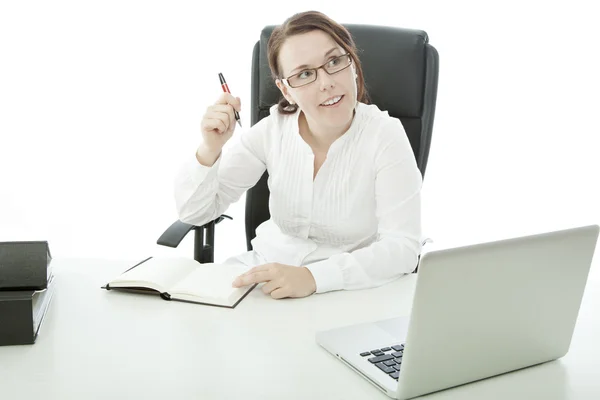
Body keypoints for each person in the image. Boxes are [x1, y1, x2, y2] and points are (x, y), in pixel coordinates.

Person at [174, 10, 423, 300]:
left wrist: (313, 277)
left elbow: (403, 248)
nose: (326, 82)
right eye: (304, 74)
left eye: (334, 62)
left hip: (347, 291)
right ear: (286, 90)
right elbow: (196, 213)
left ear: (352, 65)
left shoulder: (385, 135)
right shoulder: (272, 131)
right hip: (263, 281)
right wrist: (210, 148)